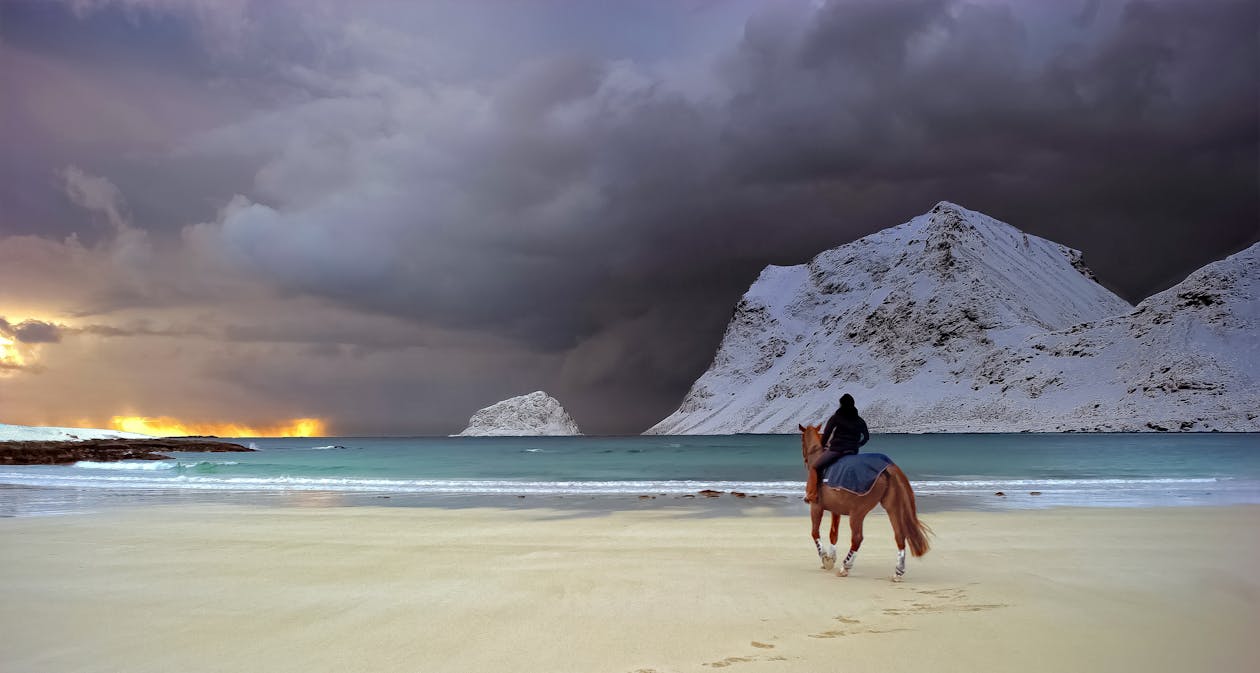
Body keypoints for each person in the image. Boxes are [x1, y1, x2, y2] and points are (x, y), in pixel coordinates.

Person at [812, 393, 869, 491]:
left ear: (841, 404)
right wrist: (858, 445)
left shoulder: (836, 417)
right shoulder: (860, 420)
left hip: (837, 450)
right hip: (853, 450)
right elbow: (866, 437)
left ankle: (817, 493)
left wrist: (821, 446)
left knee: (816, 467)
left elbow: (826, 433)